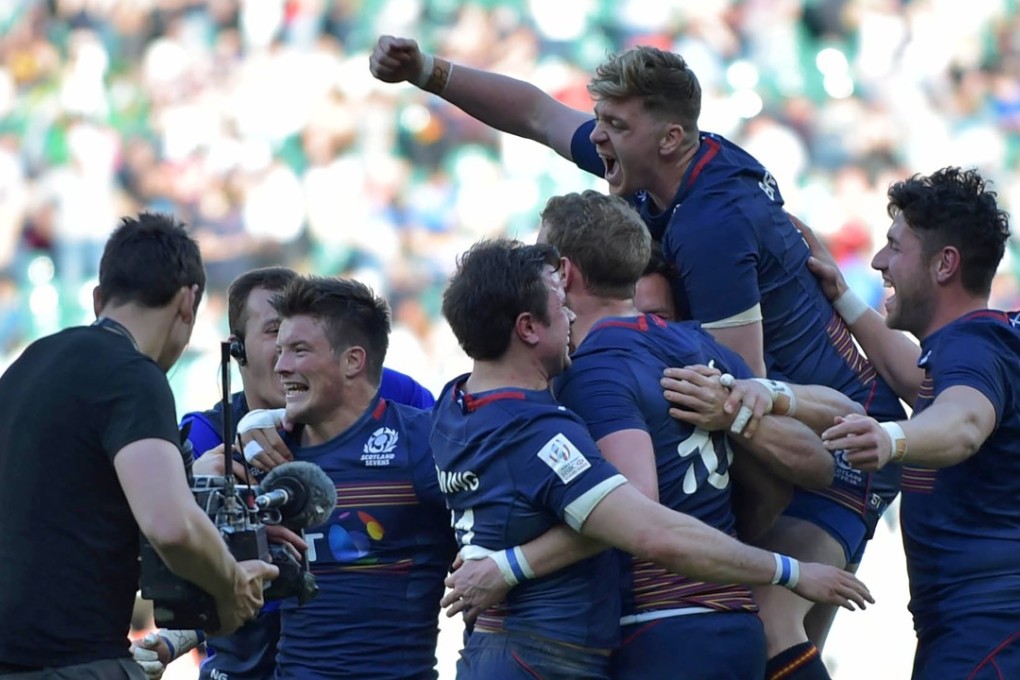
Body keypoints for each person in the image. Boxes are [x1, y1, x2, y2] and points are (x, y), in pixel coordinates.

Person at [370, 38, 907, 677]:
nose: (597, 136)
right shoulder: (655, 166)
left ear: (671, 137)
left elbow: (741, 398)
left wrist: (520, 563)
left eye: (615, 125)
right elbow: (539, 115)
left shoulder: (709, 228)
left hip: (848, 444)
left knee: (766, 616)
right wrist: (427, 72)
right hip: (815, 415)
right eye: (600, 118)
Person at [443, 192, 865, 679]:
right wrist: (744, 415)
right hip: (733, 622)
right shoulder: (692, 342)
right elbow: (815, 466)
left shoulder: (594, 368)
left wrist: (507, 566)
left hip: (656, 627)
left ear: (566, 271)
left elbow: (637, 514)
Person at [0, 213, 277, 677]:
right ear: (187, 302)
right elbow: (169, 525)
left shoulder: (28, 364)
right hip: (74, 660)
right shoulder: (133, 376)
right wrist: (231, 585)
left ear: (97, 299)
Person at [132, 266, 437, 680]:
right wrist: (190, 489)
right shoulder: (210, 438)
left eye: (298, 344)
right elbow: (205, 568)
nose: (282, 358)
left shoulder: (397, 402)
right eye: (274, 333)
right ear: (236, 350)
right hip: (248, 656)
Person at [807, 167, 1020, 679]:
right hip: (976, 627)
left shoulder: (974, 350)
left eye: (895, 247)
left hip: (990, 630)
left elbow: (963, 422)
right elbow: (917, 381)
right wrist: (843, 296)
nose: (878, 261)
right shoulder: (972, 345)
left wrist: (891, 438)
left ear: (945, 264)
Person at [254, 275, 455, 678]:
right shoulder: (268, 451)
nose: (281, 366)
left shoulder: (423, 442)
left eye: (299, 350)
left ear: (353, 361)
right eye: (279, 351)